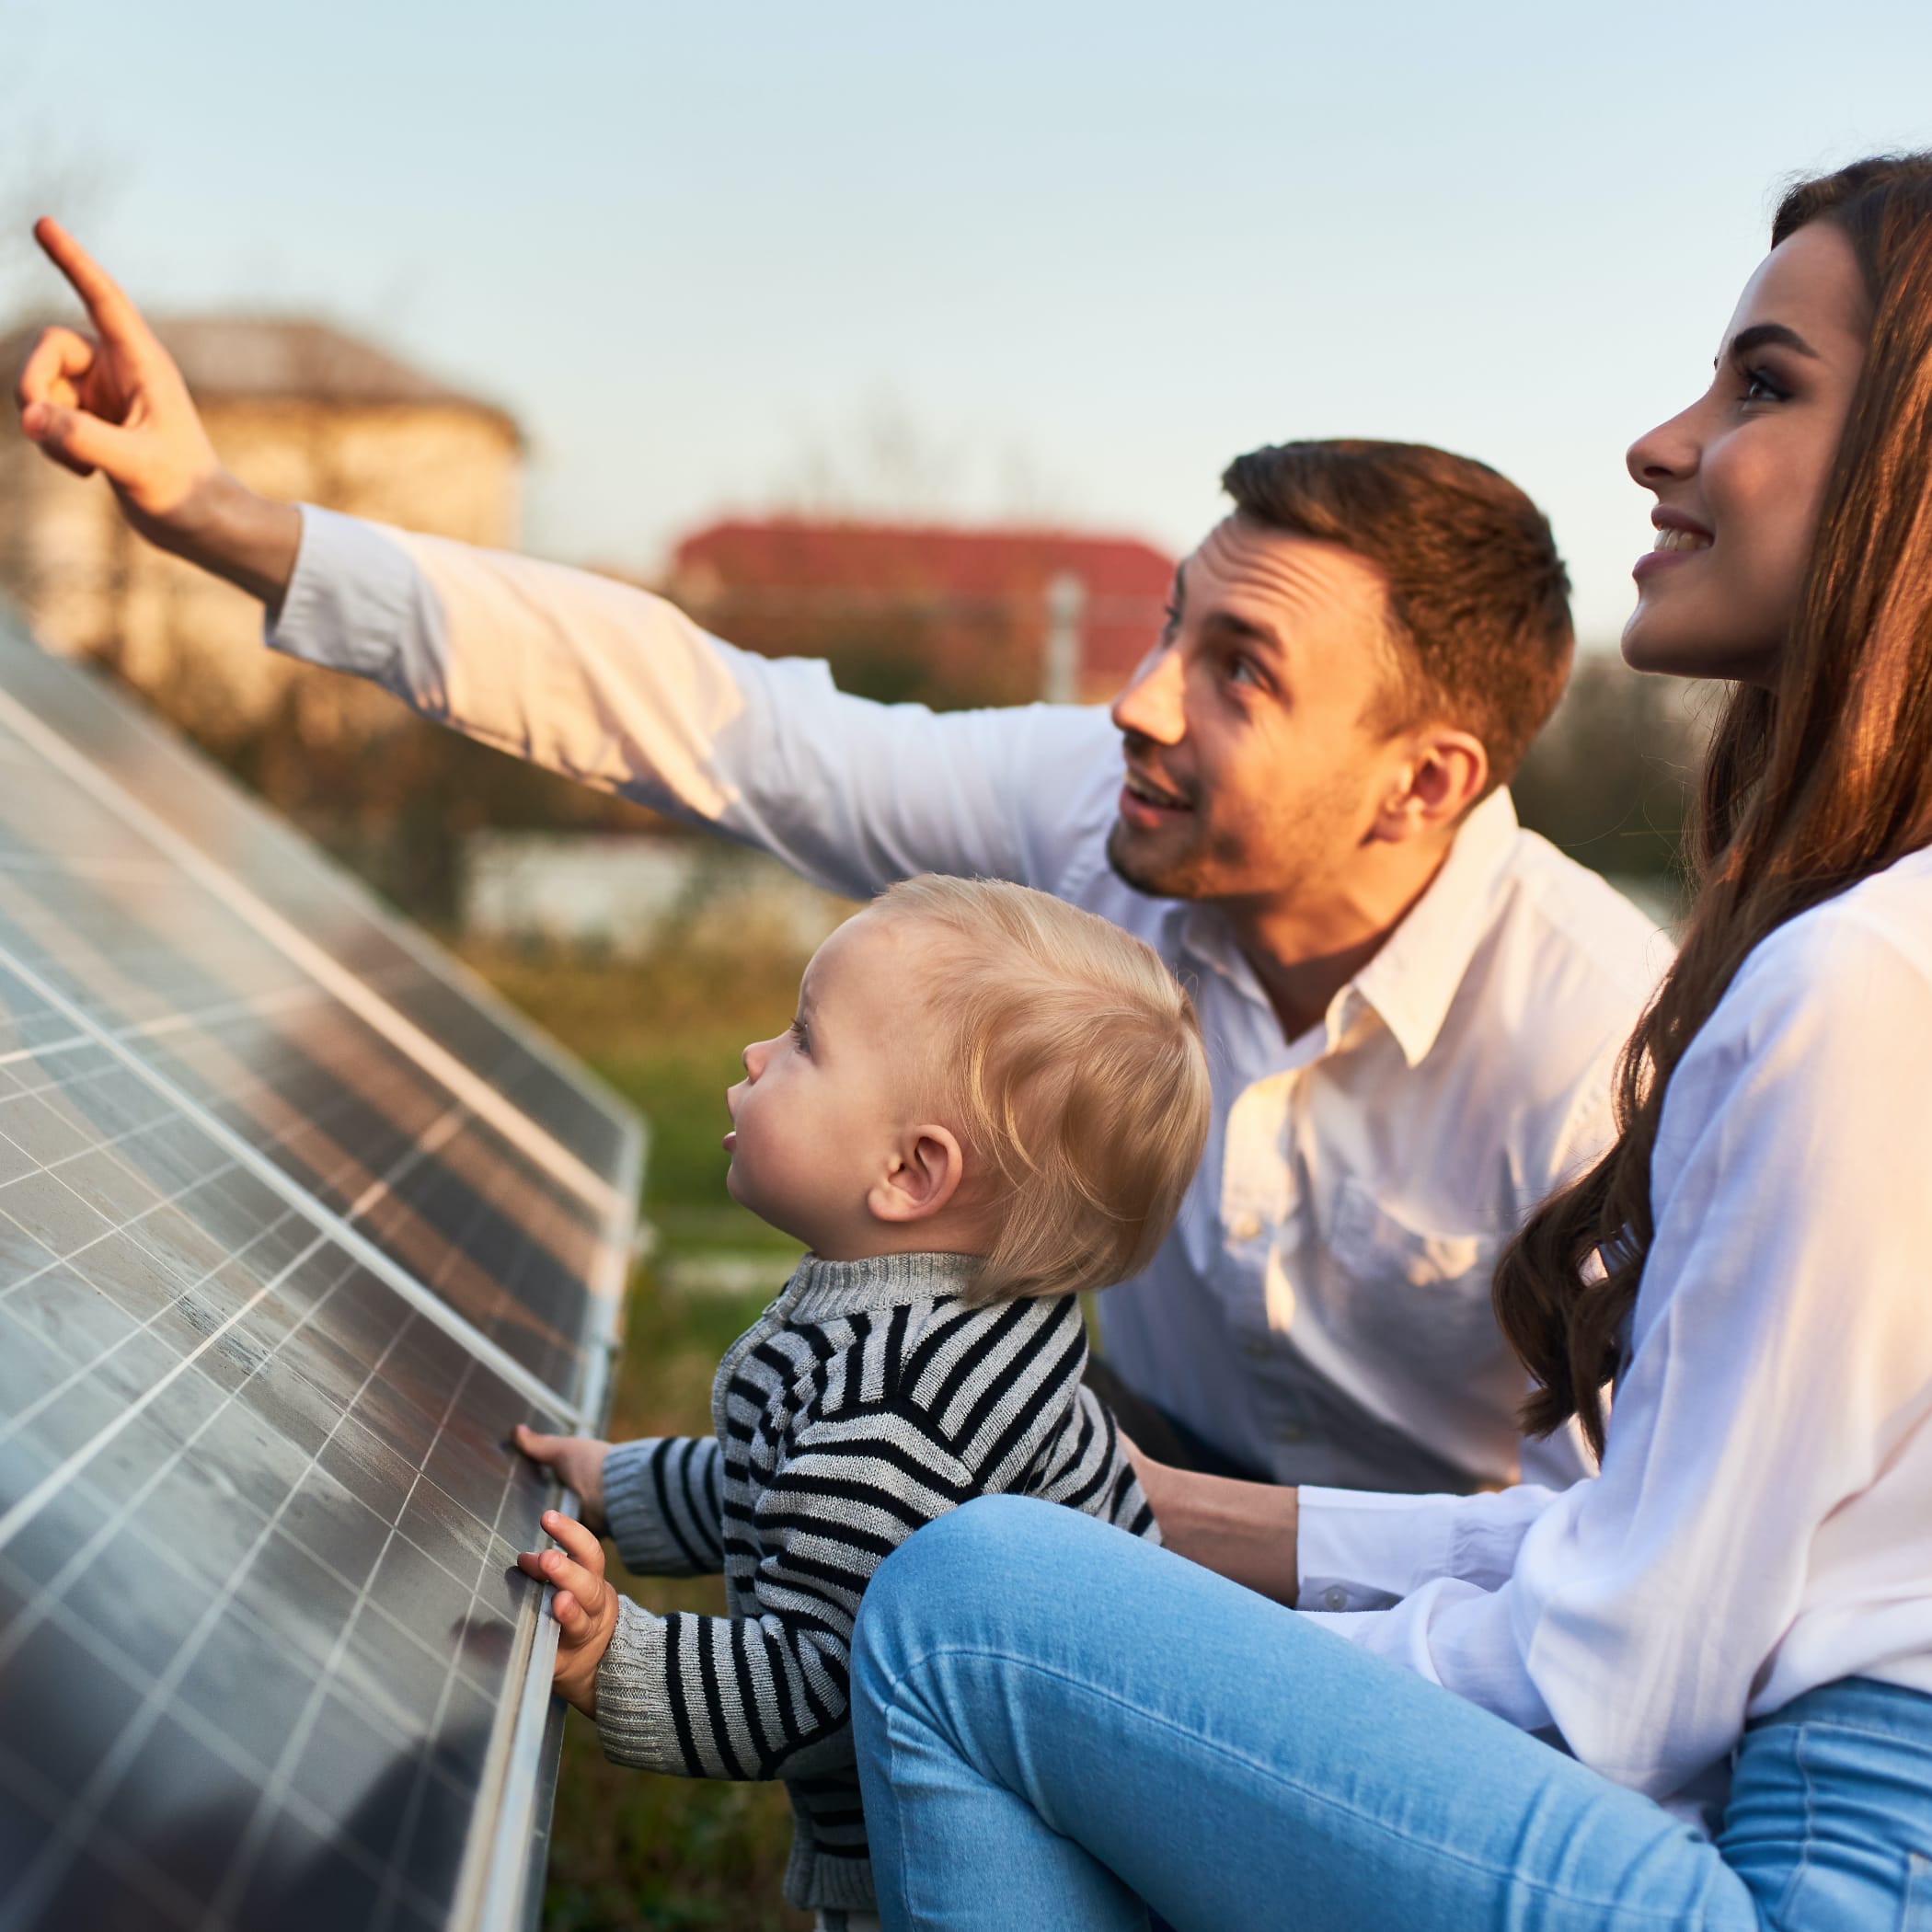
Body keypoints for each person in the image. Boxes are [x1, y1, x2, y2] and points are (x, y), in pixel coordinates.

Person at [12, 233, 1665, 1499]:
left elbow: (1635, 1571)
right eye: (1173, 624)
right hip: (1138, 1489)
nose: (1141, 699)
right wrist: (225, 517)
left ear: (1422, 780)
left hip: (1452, 1635)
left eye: (1242, 669)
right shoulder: (1099, 811)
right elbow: (714, 719)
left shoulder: (1598, 1048)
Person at [840, 153, 1932, 1930]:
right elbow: (1651, 1546)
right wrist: (1158, 1525)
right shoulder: (1874, 956)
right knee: (1041, 1575)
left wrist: (1170, 1669)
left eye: (1764, 384)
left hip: (1815, 1878)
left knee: (970, 1612)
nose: (1664, 442)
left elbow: (1624, 1683)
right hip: (1803, 1809)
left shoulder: (1845, 991)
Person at [507, 872, 1209, 1928]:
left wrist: (618, 1660)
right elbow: (784, 1482)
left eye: (801, 1042)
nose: (755, 1056)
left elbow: (824, 1687)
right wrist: (621, 1484)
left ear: (911, 1173)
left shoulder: (897, 1409)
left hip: (972, 1861)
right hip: (1052, 1806)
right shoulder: (950, 1323)